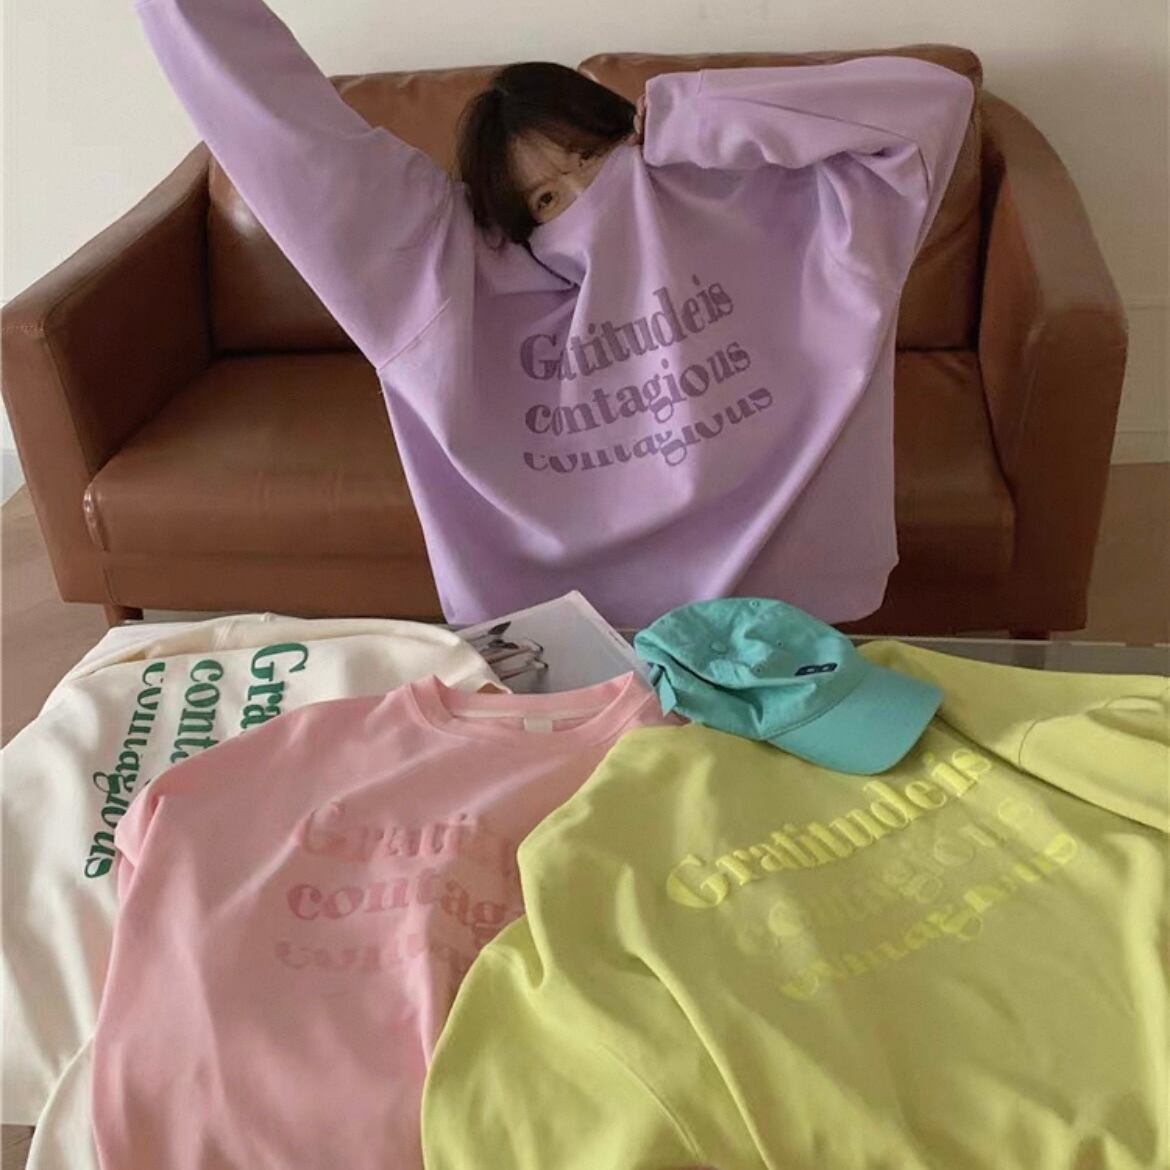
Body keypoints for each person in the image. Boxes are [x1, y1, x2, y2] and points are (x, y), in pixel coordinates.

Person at [132, 0, 975, 626]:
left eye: (592, 156)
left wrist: (687, 121)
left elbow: (931, 102)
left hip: (790, 613)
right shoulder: (449, 284)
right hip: (576, 643)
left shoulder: (770, 214)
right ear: (511, 225)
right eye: (545, 198)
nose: (586, 198)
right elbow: (286, 136)